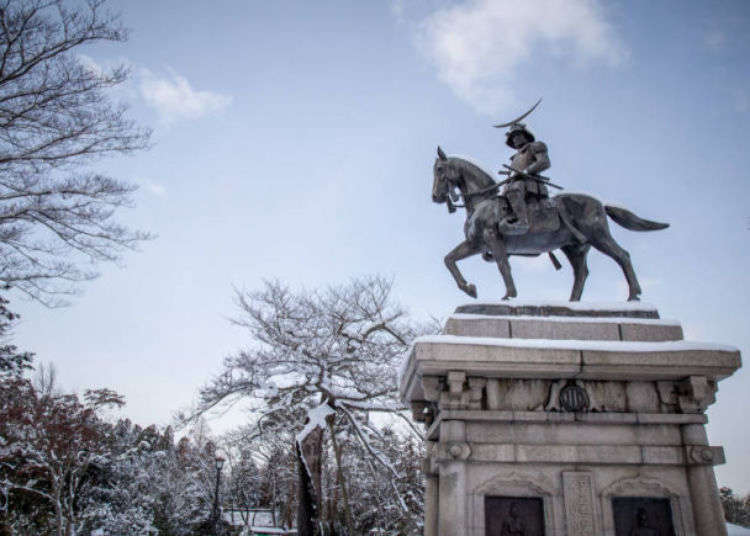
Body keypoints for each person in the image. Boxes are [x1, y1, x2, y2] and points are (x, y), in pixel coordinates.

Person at [500, 122, 551, 235]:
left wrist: (525, 172)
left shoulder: (536, 146)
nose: (515, 139)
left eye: (517, 135)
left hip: (530, 184)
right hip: (514, 185)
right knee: (499, 199)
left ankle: (523, 222)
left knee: (513, 190)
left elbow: (544, 162)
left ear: (525, 135)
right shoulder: (514, 158)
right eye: (512, 137)